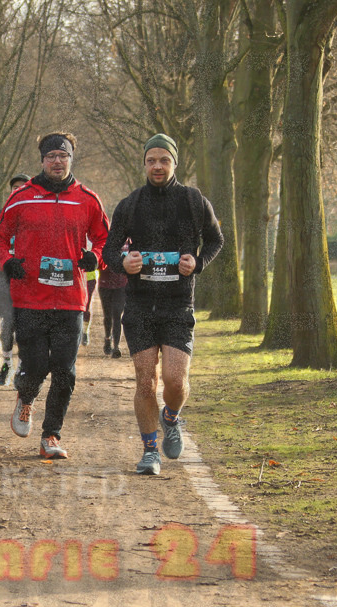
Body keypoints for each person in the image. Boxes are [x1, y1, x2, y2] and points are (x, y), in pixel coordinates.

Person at [103, 133, 224, 475]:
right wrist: (123, 263)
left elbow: (215, 240)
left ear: (174, 163)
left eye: (164, 160)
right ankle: (150, 451)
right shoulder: (130, 204)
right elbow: (109, 251)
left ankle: (171, 417)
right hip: (140, 305)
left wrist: (197, 263)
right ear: (144, 164)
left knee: (174, 381)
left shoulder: (193, 200)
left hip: (177, 305)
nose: (157, 166)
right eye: (151, 160)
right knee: (145, 382)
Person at [0, 132, 109, 459]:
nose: (58, 161)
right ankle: (25, 398)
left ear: (71, 159)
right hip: (29, 298)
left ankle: (51, 435)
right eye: (51, 156)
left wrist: (95, 256)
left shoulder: (86, 199)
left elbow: (104, 239)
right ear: (42, 161)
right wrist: (6, 262)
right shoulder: (22, 197)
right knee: (37, 365)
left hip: (71, 299)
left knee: (66, 371)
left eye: (63, 155)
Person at [0, 173, 31, 385]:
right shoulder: (2, 215)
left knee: (25, 329)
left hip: (30, 281)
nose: (18, 190)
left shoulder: (37, 213)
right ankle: (6, 363)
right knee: (7, 326)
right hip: (5, 280)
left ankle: (22, 367)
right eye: (15, 187)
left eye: (23, 187)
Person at [99, 257, 127, 358]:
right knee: (107, 316)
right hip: (105, 285)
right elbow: (99, 262)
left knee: (117, 314)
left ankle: (116, 347)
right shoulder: (105, 244)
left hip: (121, 285)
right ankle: (107, 339)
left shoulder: (128, 243)